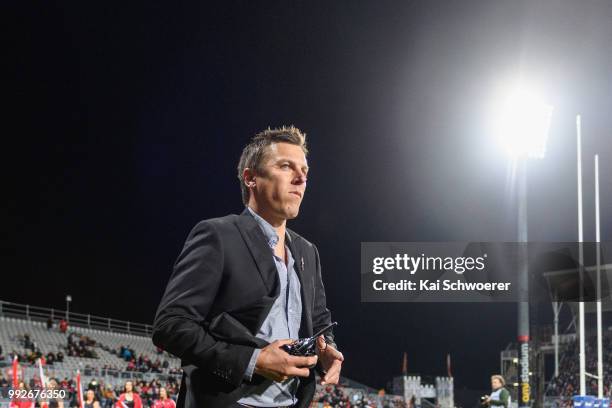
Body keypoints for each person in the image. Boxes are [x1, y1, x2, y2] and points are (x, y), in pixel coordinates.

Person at [153, 126, 343, 408]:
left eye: (304, 170)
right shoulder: (218, 235)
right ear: (251, 178)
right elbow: (171, 325)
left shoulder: (307, 251)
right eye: (285, 166)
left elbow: (320, 321)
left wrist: (328, 350)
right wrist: (254, 361)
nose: (301, 178)